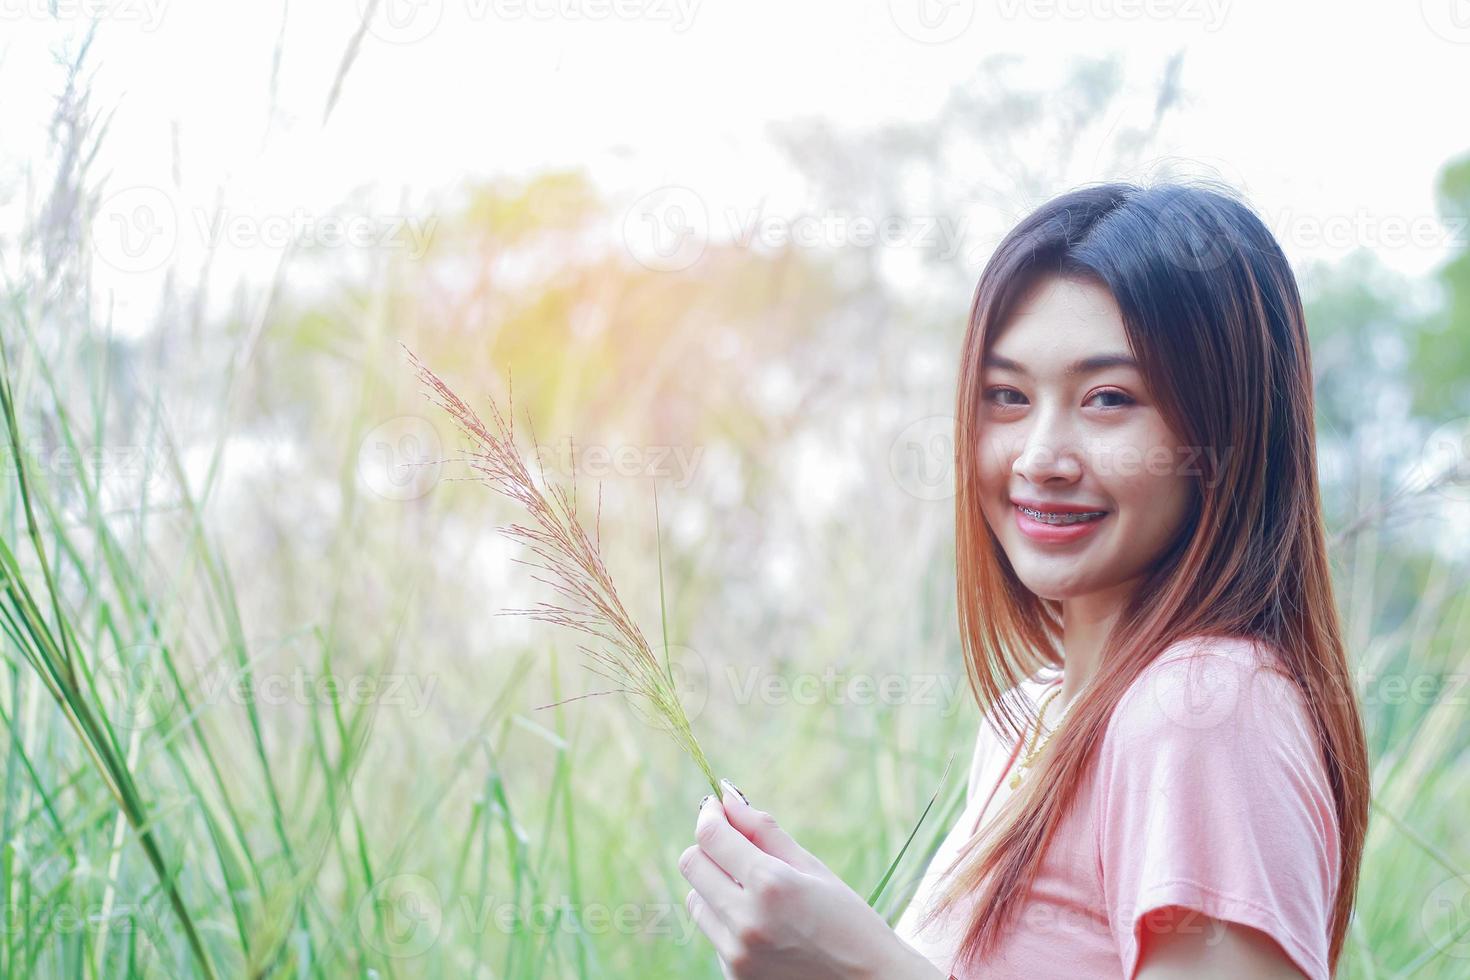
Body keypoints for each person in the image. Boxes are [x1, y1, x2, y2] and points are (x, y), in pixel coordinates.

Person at [677, 181, 1369, 979]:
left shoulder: (1202, 706)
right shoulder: (1028, 716)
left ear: (1227, 429)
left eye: (1110, 398)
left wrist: (862, 969)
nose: (1041, 456)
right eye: (1007, 396)